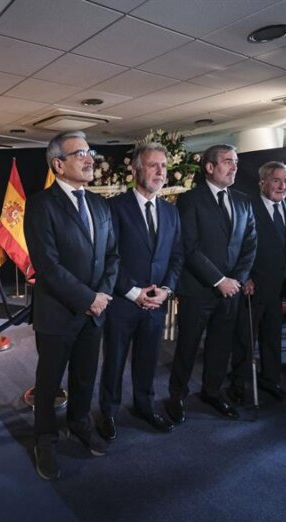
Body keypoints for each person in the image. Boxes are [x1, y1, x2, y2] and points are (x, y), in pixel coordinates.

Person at [24, 131, 119, 480]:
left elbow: (113, 256)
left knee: (85, 375)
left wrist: (102, 296)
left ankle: (80, 422)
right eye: (80, 153)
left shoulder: (100, 204)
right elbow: (47, 266)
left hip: (95, 313)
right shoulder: (40, 205)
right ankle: (44, 438)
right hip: (58, 313)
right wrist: (87, 299)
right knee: (48, 382)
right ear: (58, 164)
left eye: (90, 151)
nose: (90, 158)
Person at [97, 142, 183, 441]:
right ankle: (107, 411)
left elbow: (177, 257)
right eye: (152, 165)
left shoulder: (172, 213)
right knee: (115, 360)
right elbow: (108, 258)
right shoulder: (114, 207)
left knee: (148, 359)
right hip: (123, 303)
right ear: (135, 169)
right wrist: (134, 292)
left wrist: (166, 290)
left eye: (163, 166)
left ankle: (144, 406)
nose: (160, 171)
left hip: (157, 303)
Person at [166, 144, 257, 423]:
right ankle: (176, 397)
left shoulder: (243, 201)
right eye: (228, 161)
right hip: (198, 290)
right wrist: (219, 280)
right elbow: (189, 248)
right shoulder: (189, 200)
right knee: (188, 346)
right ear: (209, 167)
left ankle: (212, 392)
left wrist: (236, 281)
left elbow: (250, 245)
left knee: (221, 346)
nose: (234, 167)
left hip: (232, 292)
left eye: (236, 163)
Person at [228, 162, 286, 404]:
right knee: (245, 338)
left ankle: (271, 381)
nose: (283, 186)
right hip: (253, 284)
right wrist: (244, 276)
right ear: (263, 182)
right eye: (276, 180)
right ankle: (237, 383)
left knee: (272, 336)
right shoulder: (246, 205)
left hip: (280, 285)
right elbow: (237, 245)